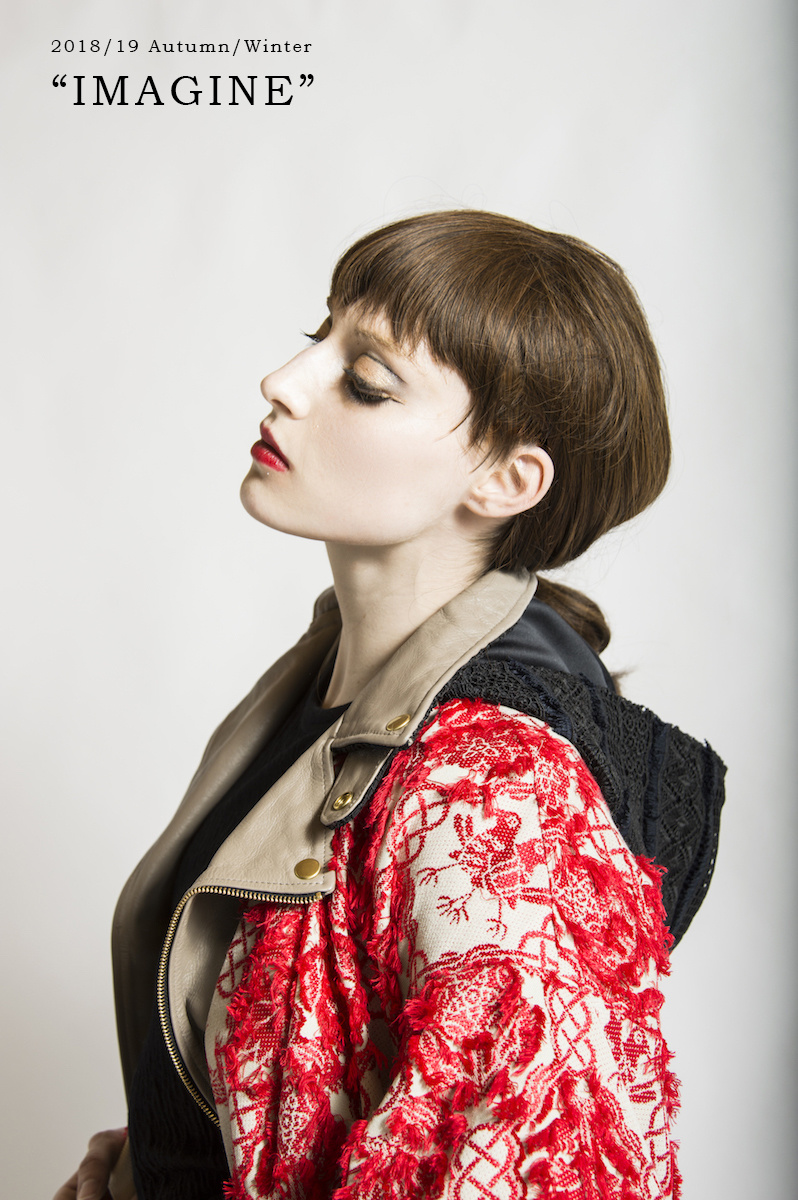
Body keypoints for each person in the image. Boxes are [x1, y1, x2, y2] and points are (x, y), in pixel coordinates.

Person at [56, 210, 725, 1200]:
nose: (283, 382)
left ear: (506, 479)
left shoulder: (493, 786)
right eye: (316, 337)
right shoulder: (330, 685)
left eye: (366, 381)